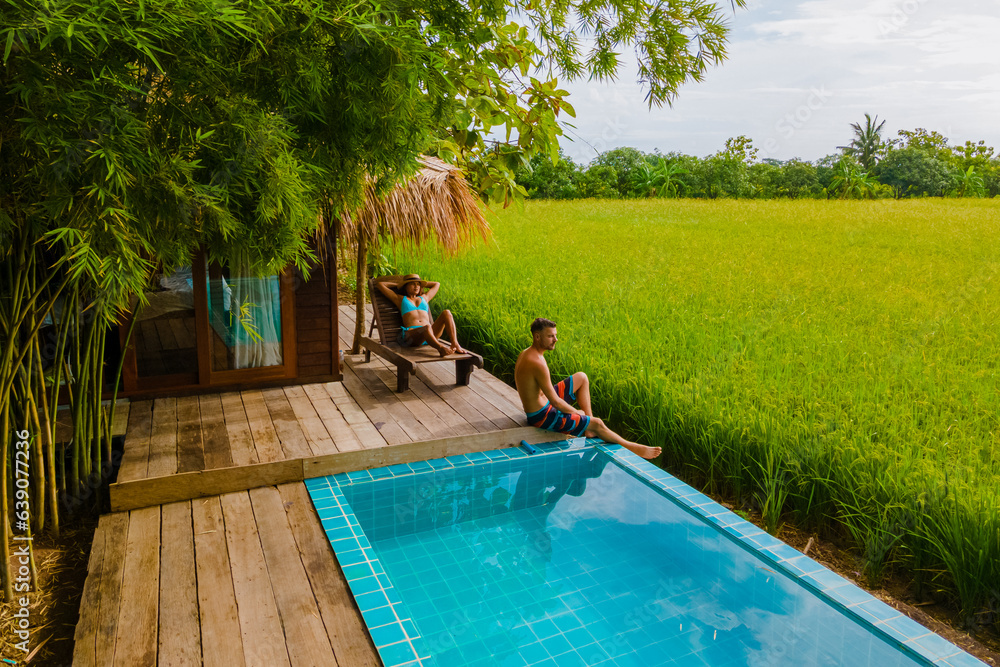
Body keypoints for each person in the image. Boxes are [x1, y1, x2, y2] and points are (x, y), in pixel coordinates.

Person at [514, 317, 662, 459]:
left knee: (582, 377)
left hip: (543, 402)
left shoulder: (528, 353)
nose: (556, 340)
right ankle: (632, 447)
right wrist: (578, 414)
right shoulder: (537, 362)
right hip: (541, 416)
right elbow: (556, 402)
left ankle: (589, 430)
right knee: (598, 423)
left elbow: (546, 395)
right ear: (537, 337)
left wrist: (583, 416)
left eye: (555, 335)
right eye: (550, 336)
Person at [375, 274, 466, 357]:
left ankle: (455, 343)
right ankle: (440, 348)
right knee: (426, 327)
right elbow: (380, 285)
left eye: (418, 284)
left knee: (447, 313)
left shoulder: (425, 297)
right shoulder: (400, 299)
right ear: (405, 286)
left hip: (430, 335)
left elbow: (436, 284)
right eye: (412, 284)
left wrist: (422, 284)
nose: (416, 286)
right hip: (413, 336)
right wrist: (399, 285)